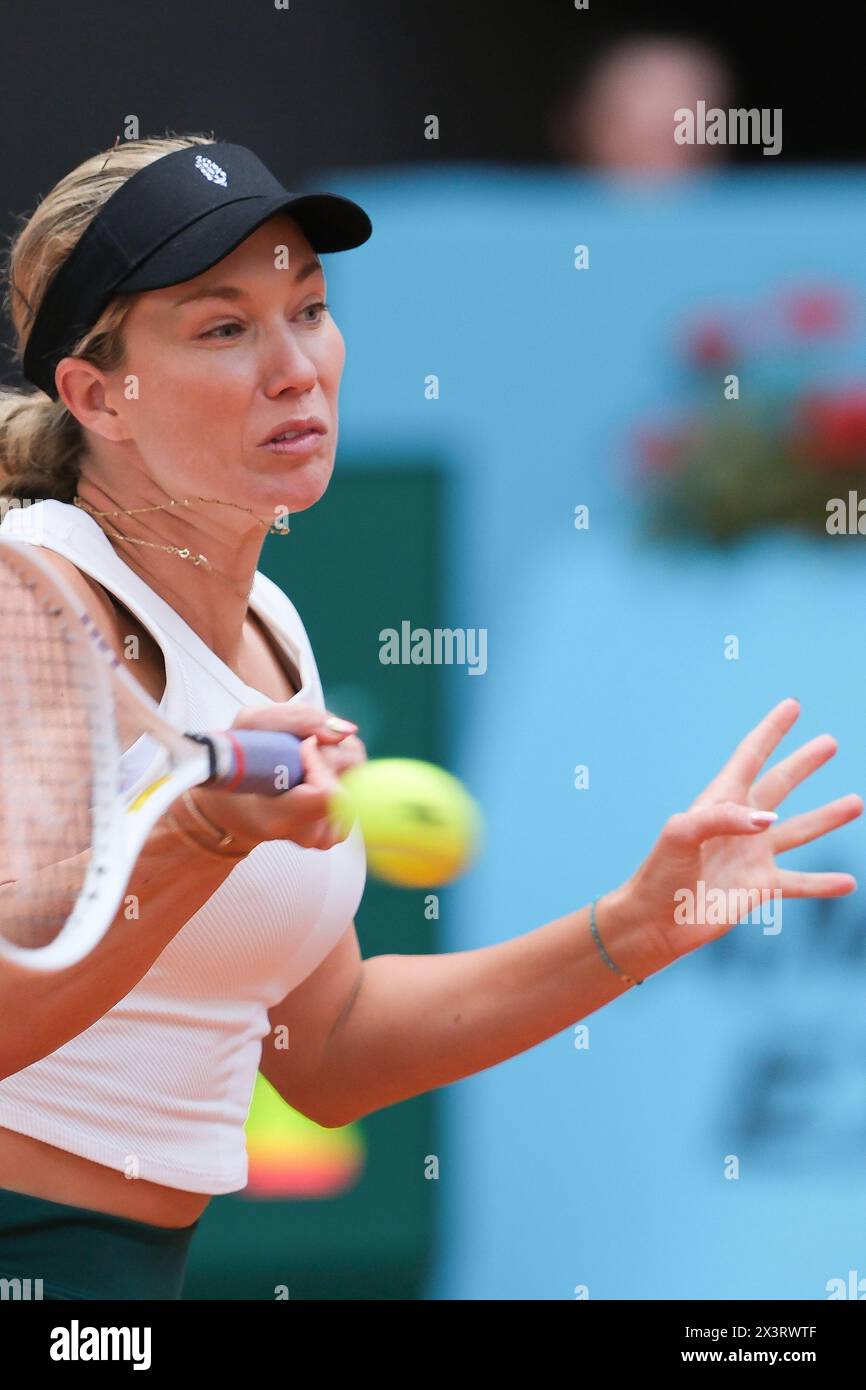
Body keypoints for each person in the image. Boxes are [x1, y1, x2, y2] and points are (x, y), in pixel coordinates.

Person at [0, 134, 860, 1301]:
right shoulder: (30, 603)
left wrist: (632, 928)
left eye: (307, 308)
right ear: (98, 394)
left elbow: (330, 1050)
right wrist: (201, 832)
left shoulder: (270, 625)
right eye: (222, 327)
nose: (294, 366)